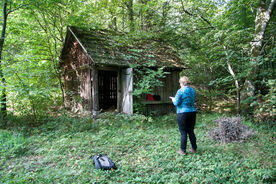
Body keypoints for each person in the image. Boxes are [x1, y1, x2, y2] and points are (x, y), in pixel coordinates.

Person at [169, 76, 197, 155]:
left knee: (183, 132)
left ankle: (182, 150)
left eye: (180, 83)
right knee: (191, 131)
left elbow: (176, 103)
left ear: (182, 83)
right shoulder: (193, 90)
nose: (180, 85)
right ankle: (194, 148)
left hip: (182, 113)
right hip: (192, 112)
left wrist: (173, 99)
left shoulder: (180, 91)